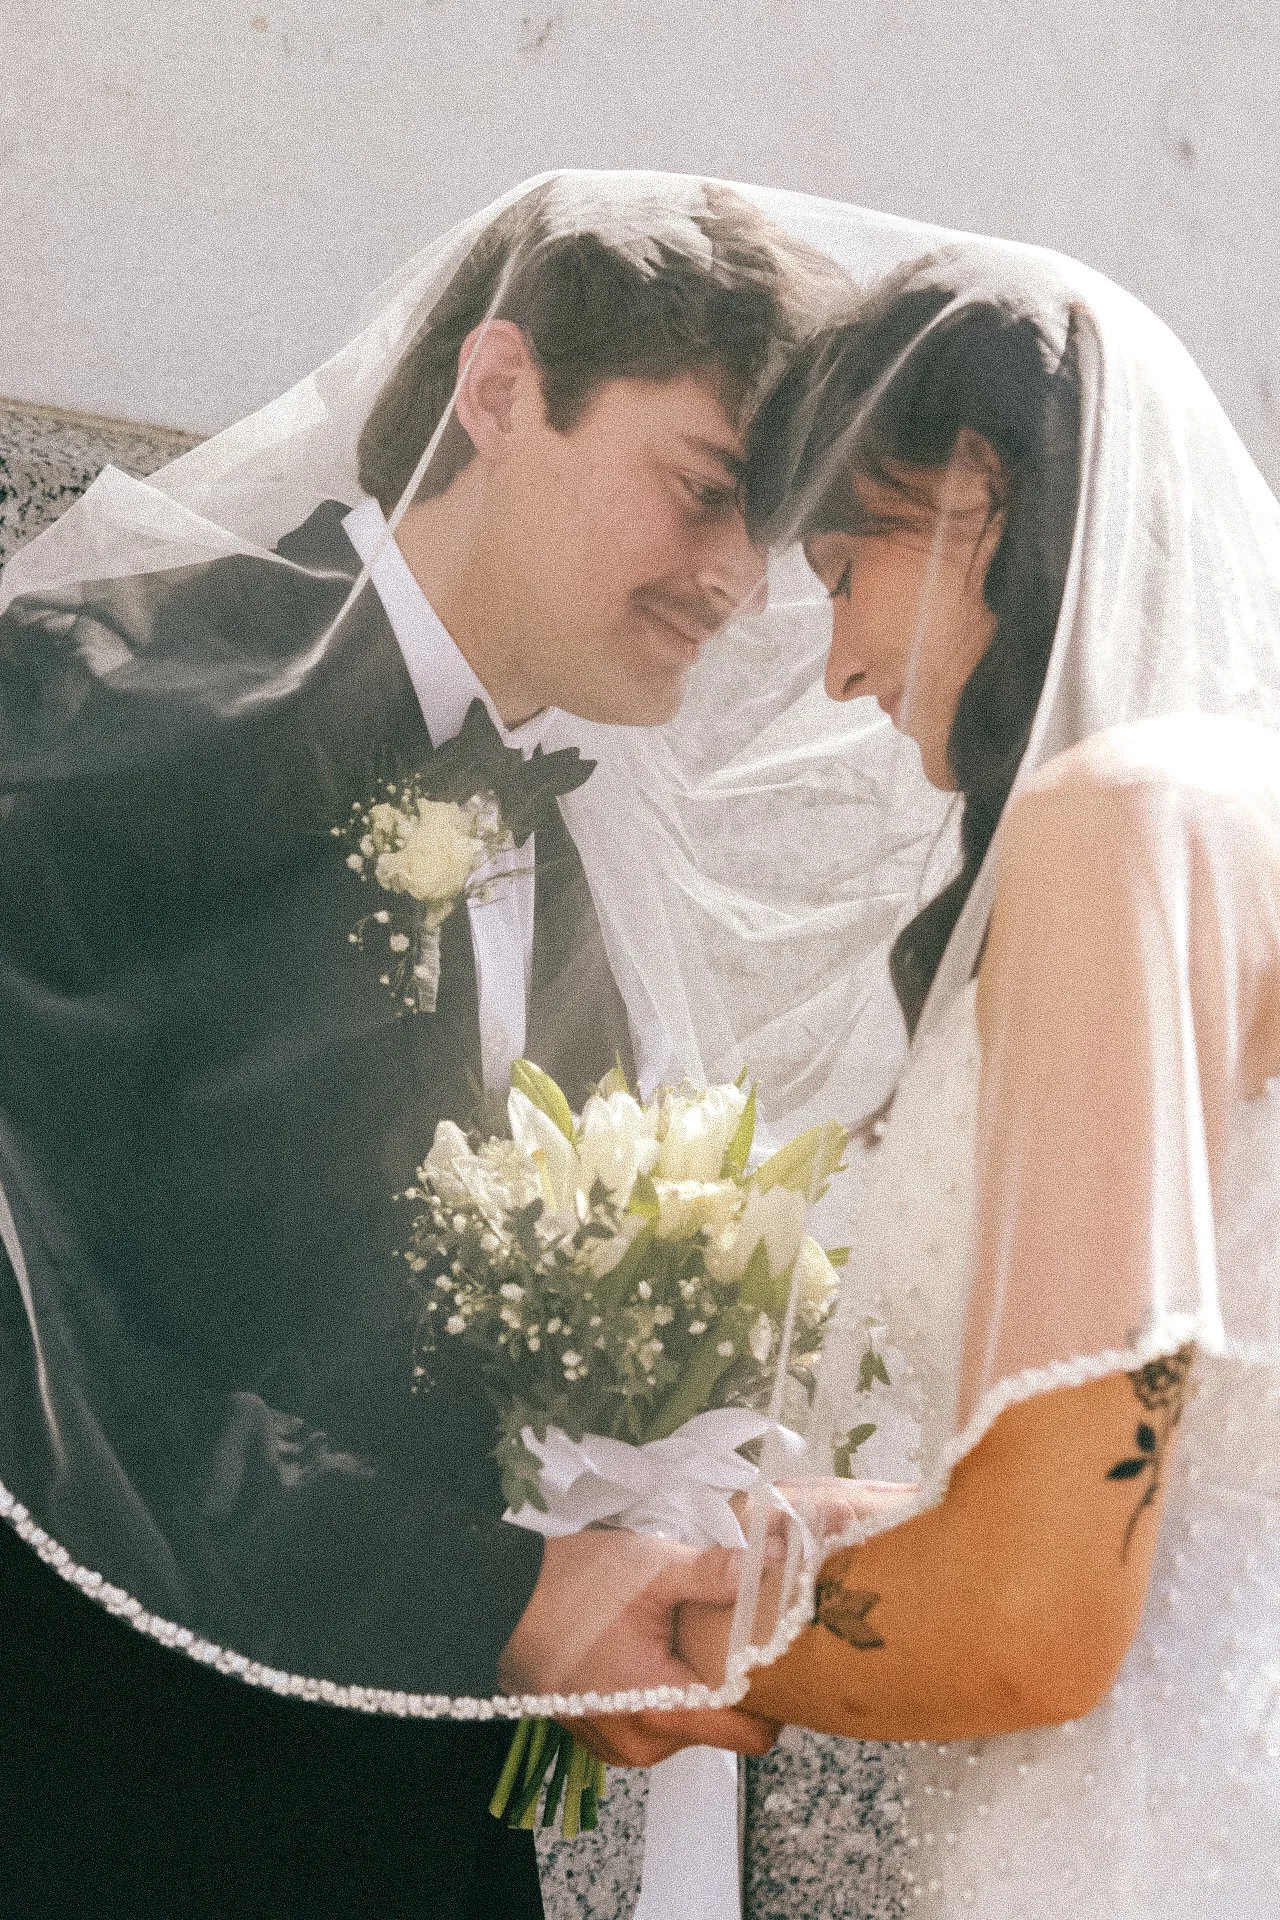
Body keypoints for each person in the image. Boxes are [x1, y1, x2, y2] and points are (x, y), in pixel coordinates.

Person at [0, 175, 823, 1917]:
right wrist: (493, 1601)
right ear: (501, 390)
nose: (738, 579)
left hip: (414, 1843)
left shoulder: (588, 880)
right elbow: (32, 1342)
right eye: (707, 490)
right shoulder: (100, 704)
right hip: (93, 1815)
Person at [663, 249, 1280, 1915]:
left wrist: (659, 1629)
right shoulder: (1239, 818)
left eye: (848, 569)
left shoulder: (1121, 825)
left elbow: (1031, 1622)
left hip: (1146, 1840)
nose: (842, 669)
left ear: (980, 495)